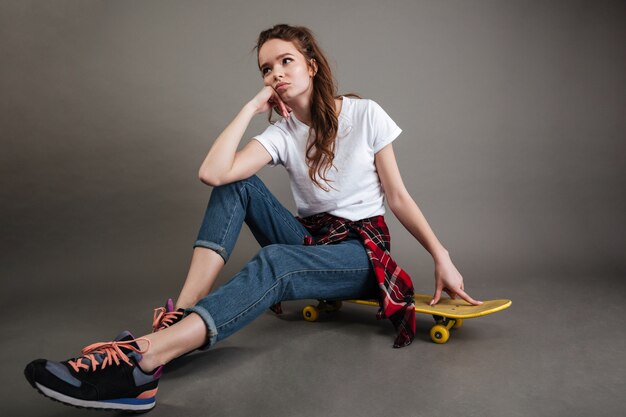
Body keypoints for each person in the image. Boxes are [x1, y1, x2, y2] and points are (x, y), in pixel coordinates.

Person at [24, 24, 482, 412]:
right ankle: (178, 318)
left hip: (360, 255)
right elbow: (213, 173)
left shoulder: (365, 115)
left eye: (285, 62)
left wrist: (440, 255)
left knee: (279, 261)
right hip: (311, 240)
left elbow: (398, 197)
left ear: (311, 66)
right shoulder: (281, 132)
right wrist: (249, 109)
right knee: (235, 184)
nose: (276, 74)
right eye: (266, 68)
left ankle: (142, 364)